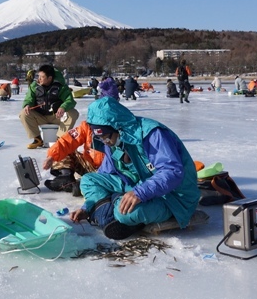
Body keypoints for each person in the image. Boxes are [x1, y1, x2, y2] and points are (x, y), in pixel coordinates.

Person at [69, 97, 199, 240]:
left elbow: (172, 172)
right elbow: (104, 175)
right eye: (100, 138)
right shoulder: (112, 142)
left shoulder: (152, 134)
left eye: (106, 137)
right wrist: (87, 207)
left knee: (125, 213)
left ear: (119, 128)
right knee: (88, 180)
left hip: (172, 197)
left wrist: (139, 193)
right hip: (134, 186)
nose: (105, 142)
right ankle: (105, 207)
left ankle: (108, 210)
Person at [19, 64, 79, 149]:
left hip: (57, 116)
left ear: (50, 78)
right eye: (38, 76)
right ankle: (37, 139)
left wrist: (63, 107)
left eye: (42, 77)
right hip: (40, 116)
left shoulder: (61, 87)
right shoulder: (34, 86)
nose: (39, 79)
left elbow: (70, 100)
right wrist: (27, 105)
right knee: (23, 113)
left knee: (73, 113)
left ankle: (60, 139)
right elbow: (28, 99)